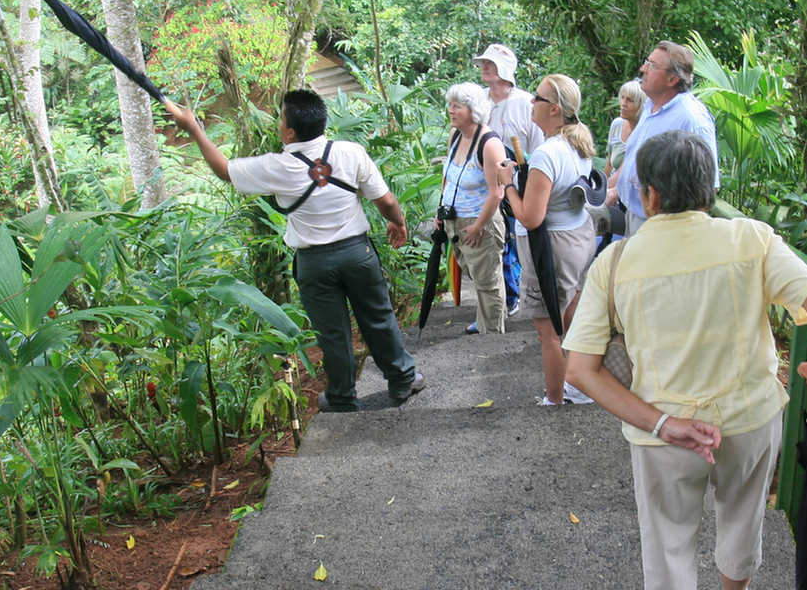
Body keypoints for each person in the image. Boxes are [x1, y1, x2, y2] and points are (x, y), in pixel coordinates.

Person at [564, 131, 807, 590]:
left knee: (668, 535)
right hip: (750, 417)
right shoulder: (751, 239)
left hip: (663, 433)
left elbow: (580, 368)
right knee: (744, 512)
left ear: (647, 196)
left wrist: (665, 424)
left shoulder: (616, 263)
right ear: (710, 189)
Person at [165, 90, 424, 413]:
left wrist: (194, 129)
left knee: (332, 332)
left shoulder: (278, 166)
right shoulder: (350, 152)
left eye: (281, 119)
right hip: (358, 254)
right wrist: (397, 223)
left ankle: (343, 398)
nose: (278, 124)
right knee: (378, 317)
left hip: (315, 263)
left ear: (289, 131)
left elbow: (224, 170)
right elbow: (385, 201)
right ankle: (402, 379)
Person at [494, 74, 598, 406]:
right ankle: (582, 387)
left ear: (554, 109)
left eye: (537, 98)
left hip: (551, 247)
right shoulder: (578, 142)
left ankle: (555, 399)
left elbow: (530, 216)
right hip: (579, 235)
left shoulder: (546, 154)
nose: (530, 103)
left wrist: (507, 184)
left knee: (548, 330)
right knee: (571, 319)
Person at [609, 41, 719, 236]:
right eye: (646, 62)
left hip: (665, 229)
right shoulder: (650, 106)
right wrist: (613, 190)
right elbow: (633, 160)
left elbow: (706, 190)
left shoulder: (692, 119)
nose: (643, 69)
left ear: (672, 79)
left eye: (652, 66)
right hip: (631, 216)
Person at [474, 43, 543, 316]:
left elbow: (539, 144)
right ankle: (506, 298)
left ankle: (525, 295)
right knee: (494, 244)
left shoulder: (526, 103)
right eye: (483, 63)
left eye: (491, 63)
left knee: (519, 239)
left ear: (505, 69)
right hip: (485, 185)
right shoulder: (477, 101)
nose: (485, 67)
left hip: (519, 183)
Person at [438, 82, 508, 336]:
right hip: (455, 219)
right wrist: (441, 210)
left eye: (457, 106)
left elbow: (497, 192)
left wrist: (479, 226)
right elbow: (448, 176)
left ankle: (492, 337)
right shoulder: (456, 136)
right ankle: (486, 320)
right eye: (450, 105)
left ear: (473, 110)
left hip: (480, 221)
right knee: (476, 275)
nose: (451, 110)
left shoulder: (489, 144)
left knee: (488, 281)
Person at [606, 79, 646, 174]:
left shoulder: (645, 131)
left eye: (630, 100)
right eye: (622, 98)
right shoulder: (617, 124)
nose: (623, 104)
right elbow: (609, 165)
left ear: (640, 105)